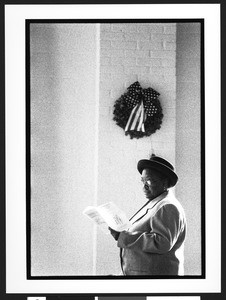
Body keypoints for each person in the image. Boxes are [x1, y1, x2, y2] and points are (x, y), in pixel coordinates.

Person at [109, 154, 187, 276]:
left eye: (149, 181)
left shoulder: (167, 206)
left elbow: (162, 243)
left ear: (165, 182)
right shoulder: (156, 203)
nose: (144, 186)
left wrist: (123, 236)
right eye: (143, 181)